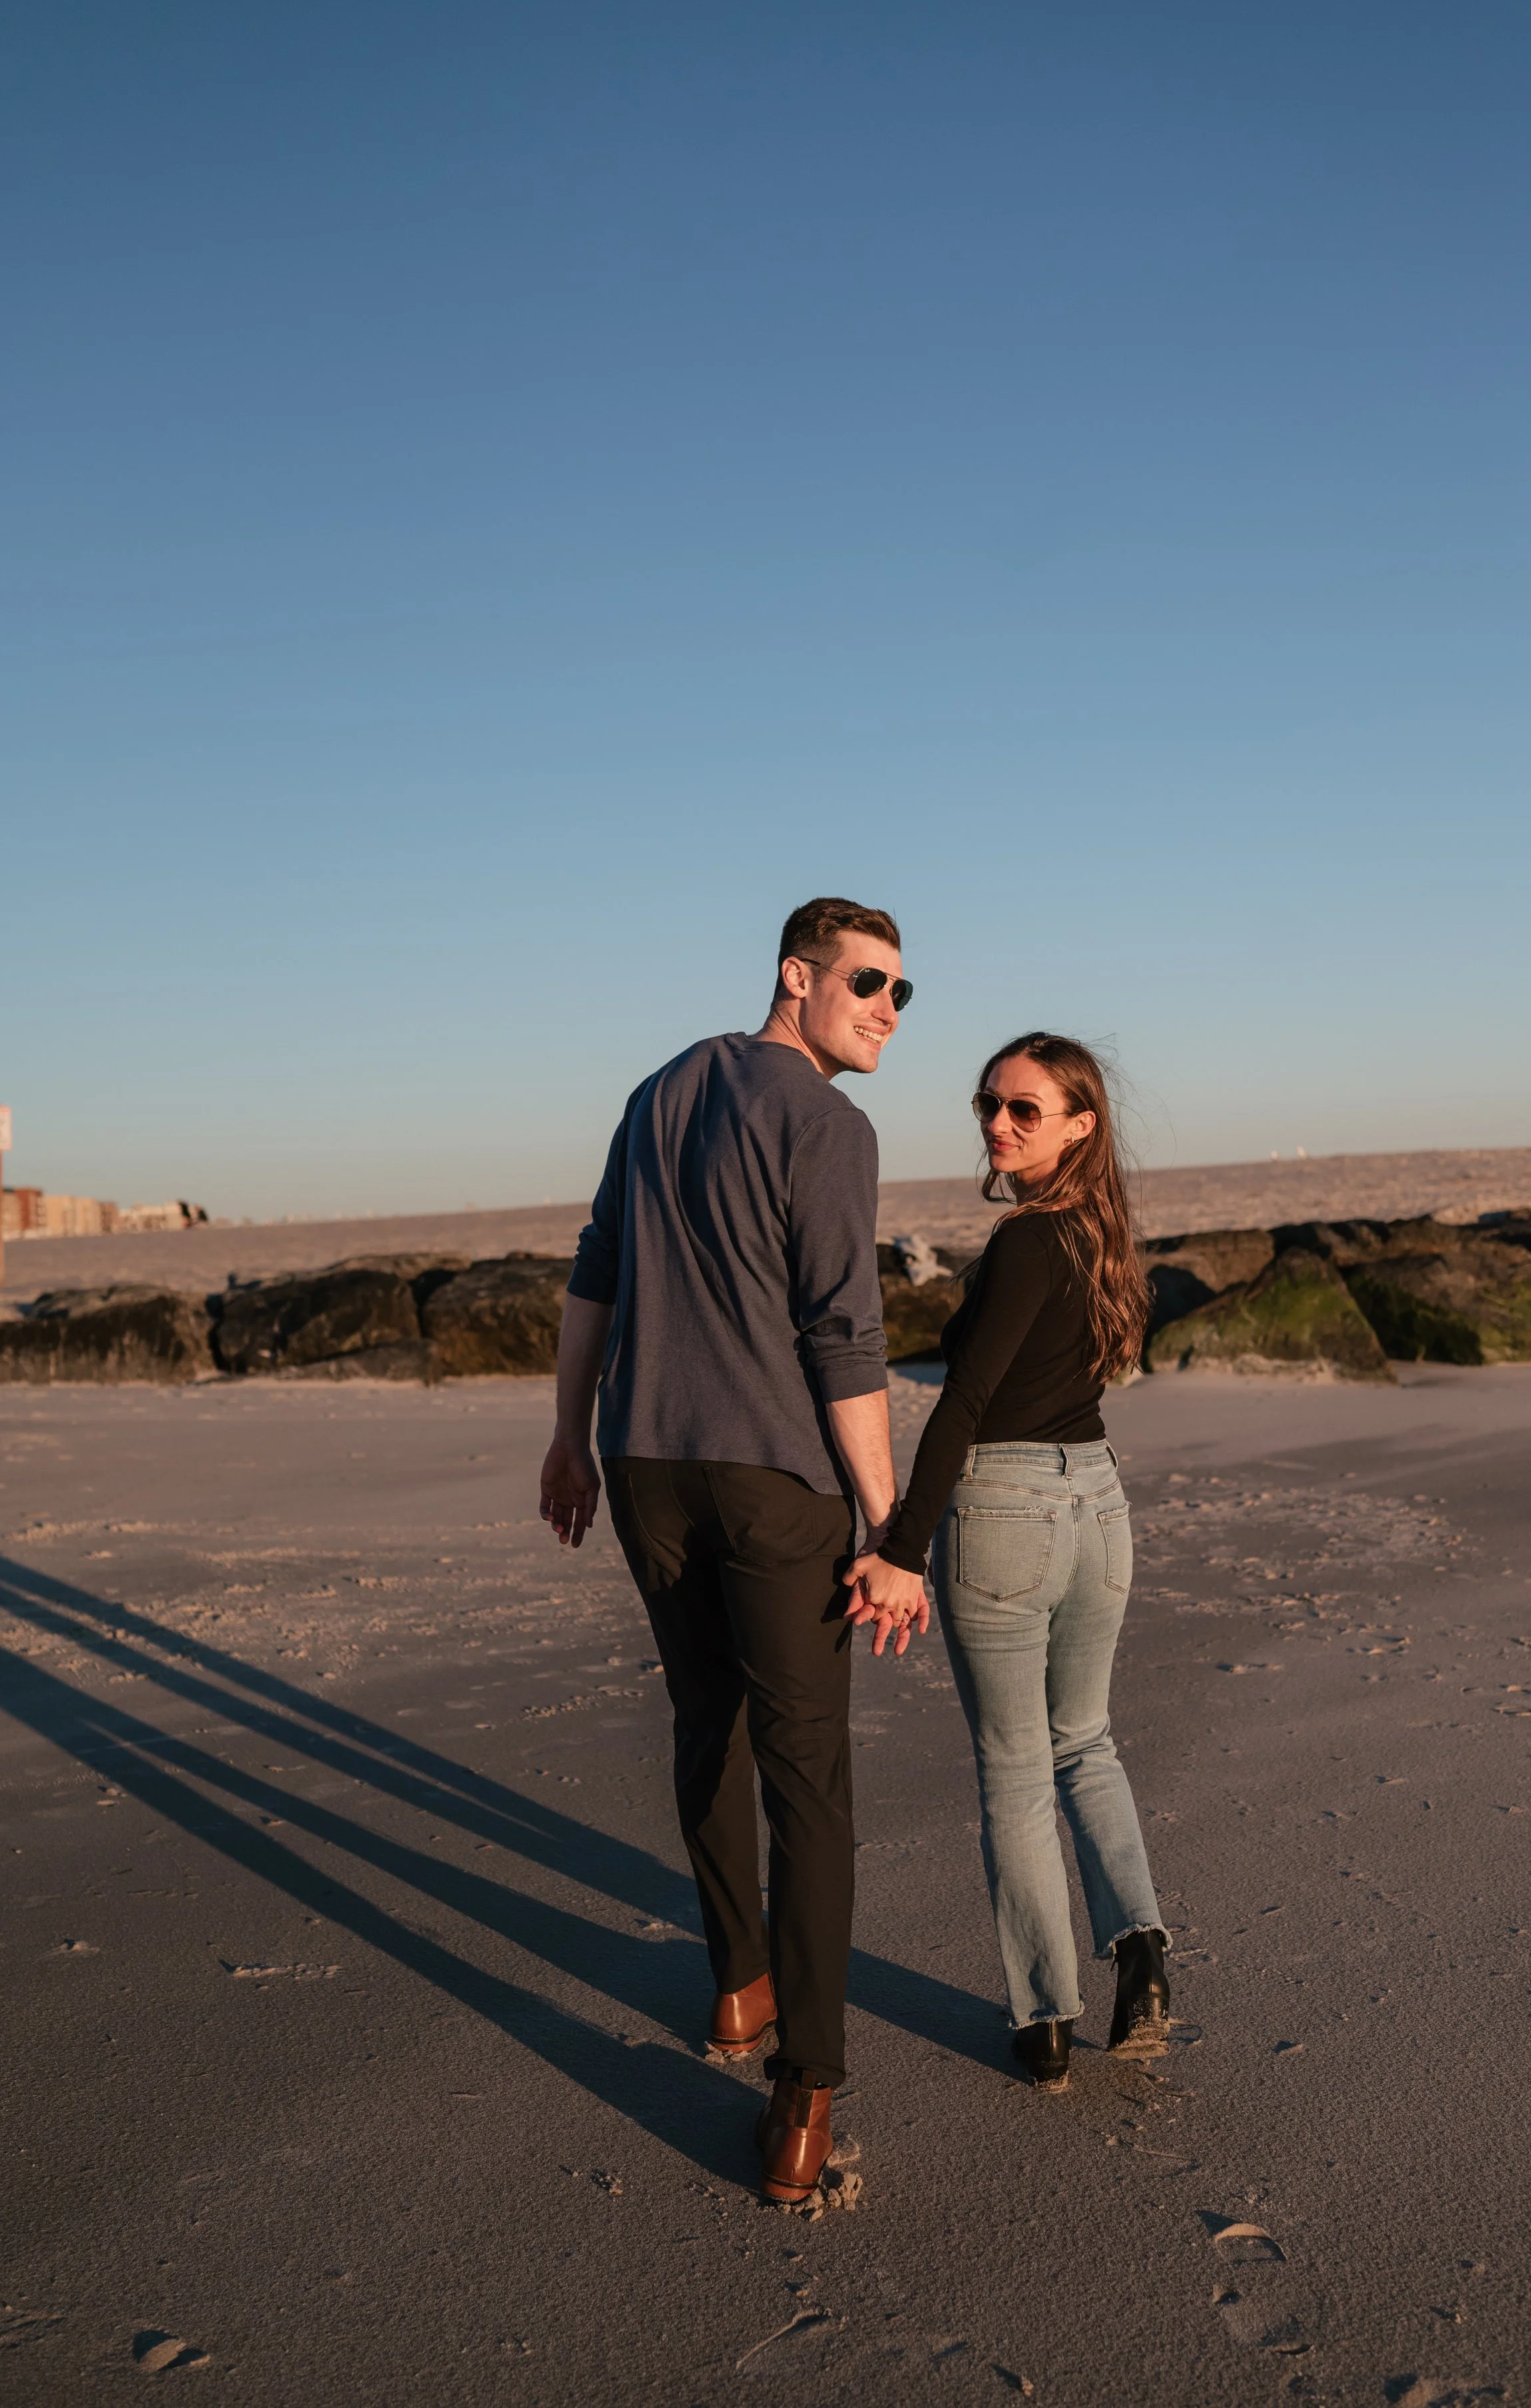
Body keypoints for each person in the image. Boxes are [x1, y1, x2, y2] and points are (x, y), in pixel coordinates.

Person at [538, 898, 928, 2202]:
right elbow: (842, 1334)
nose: (887, 1009)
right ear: (795, 978)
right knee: (807, 1775)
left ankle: (738, 1983)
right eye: (868, 983)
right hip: (771, 1481)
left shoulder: (660, 1090)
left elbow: (595, 1275)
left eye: (903, 992)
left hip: (646, 1467)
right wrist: (890, 1523)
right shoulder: (826, 1123)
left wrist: (569, 1438)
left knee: (708, 1724)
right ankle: (804, 2095)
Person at [844, 1031, 1169, 2091]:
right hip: (1099, 1508)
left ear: (1080, 1124)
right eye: (989, 1103)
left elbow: (968, 1402)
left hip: (1006, 1514)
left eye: (1025, 1108)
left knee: (1020, 1772)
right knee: (1089, 1743)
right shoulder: (1102, 1236)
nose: (998, 1122)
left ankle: (1046, 2020)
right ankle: (1142, 1952)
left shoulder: (1028, 1243)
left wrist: (899, 1548)